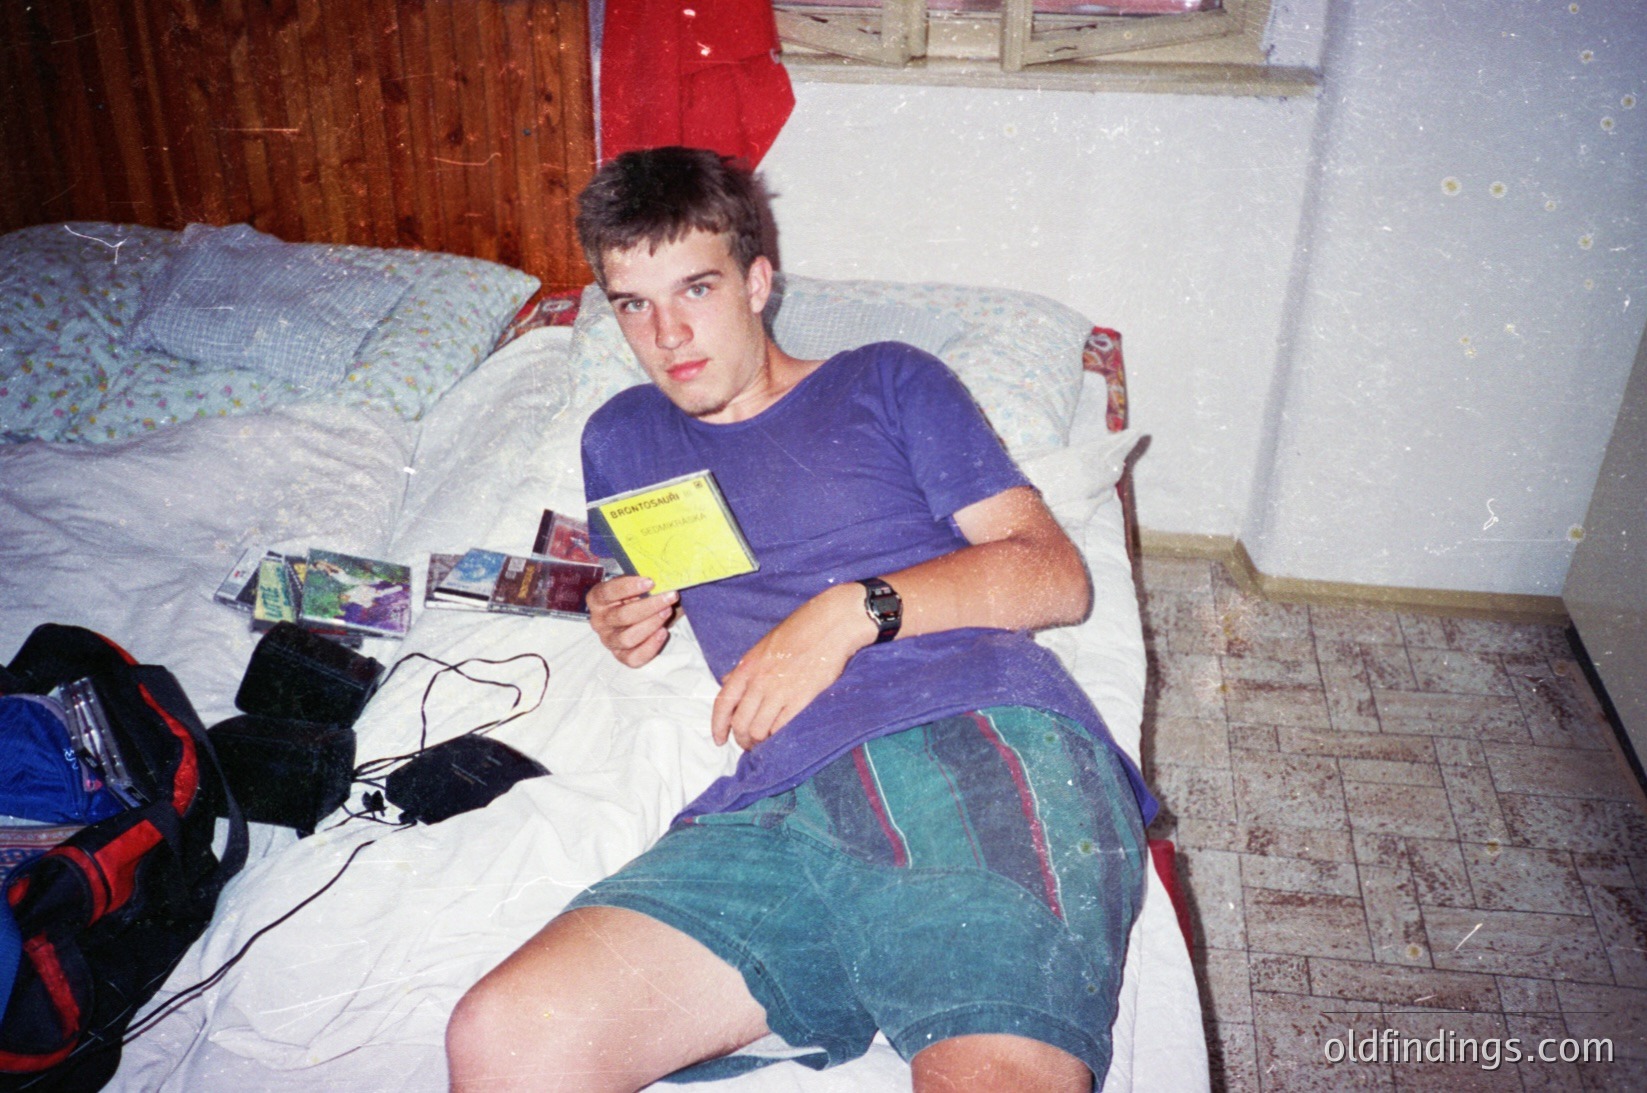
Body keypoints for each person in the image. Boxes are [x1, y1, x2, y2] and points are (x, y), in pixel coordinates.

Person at [446, 147, 1157, 1093]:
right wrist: (623, 621)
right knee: (504, 1035)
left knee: (990, 1076)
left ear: (758, 281)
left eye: (695, 287)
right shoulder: (619, 436)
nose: (667, 332)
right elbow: (655, 587)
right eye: (632, 303)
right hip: (777, 794)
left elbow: (1053, 575)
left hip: (969, 736)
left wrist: (847, 614)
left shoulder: (886, 380)